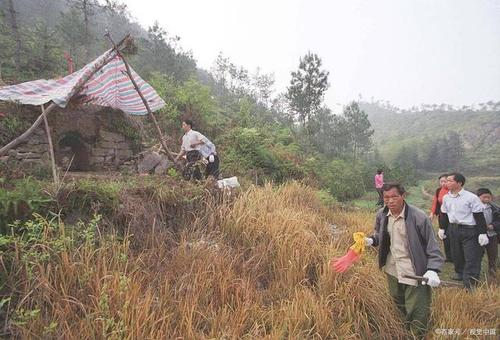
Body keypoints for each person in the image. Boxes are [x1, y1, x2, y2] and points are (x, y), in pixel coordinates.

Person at [365, 183, 444, 338]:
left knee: (417, 309)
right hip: (392, 268)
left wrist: (433, 269)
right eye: (386, 197)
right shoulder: (382, 215)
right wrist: (371, 240)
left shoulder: (418, 217)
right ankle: (401, 332)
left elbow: (432, 247)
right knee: (398, 303)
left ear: (403, 196)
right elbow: (380, 236)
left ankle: (416, 335)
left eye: (395, 196)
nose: (390, 200)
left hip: (414, 270)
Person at [439, 173, 489, 290]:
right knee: (457, 254)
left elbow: (479, 216)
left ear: (459, 183)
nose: (447, 183)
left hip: (470, 230)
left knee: (471, 256)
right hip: (453, 228)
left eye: (450, 181)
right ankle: (460, 273)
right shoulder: (446, 198)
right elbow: (444, 214)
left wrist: (482, 233)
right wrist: (442, 228)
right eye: (446, 181)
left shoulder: (471, 197)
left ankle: (471, 282)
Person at [476, 188, 499, 278]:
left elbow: (498, 220)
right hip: (477, 235)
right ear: (478, 197)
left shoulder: (495, 208)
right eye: (484, 197)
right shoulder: (474, 207)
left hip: (492, 234)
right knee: (477, 254)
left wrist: (493, 225)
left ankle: (492, 272)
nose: (486, 199)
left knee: (493, 254)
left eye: (488, 197)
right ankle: (476, 272)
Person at [429, 174, 452, 262]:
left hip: (452, 216)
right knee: (444, 235)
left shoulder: (452, 191)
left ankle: (456, 256)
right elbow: (435, 202)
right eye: (441, 181)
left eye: (445, 181)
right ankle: (449, 256)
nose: (443, 183)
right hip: (442, 216)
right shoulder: (438, 191)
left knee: (452, 235)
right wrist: (432, 213)